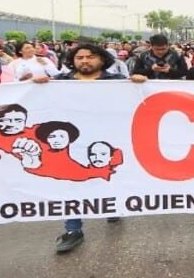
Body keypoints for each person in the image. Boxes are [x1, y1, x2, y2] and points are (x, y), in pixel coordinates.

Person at [32, 43, 126, 253]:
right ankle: (73, 230)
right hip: (74, 143)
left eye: (90, 57)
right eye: (79, 57)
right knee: (72, 183)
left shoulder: (117, 82)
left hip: (106, 140)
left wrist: (139, 83)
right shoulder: (59, 82)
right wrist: (36, 86)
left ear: (102, 59)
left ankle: (111, 207)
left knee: (107, 176)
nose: (84, 61)